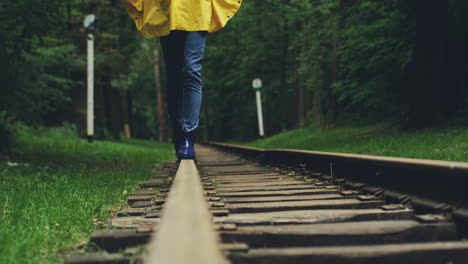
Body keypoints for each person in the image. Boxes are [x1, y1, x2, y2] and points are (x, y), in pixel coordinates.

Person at [123, 0, 242, 159]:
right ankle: (178, 132)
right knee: (174, 75)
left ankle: (187, 135)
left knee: (192, 69)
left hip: (197, 10)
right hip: (167, 9)